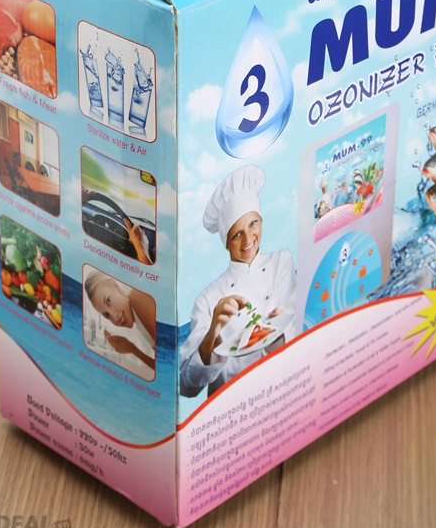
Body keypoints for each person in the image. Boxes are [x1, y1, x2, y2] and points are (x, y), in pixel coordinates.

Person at [180, 165, 296, 398]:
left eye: (253, 223)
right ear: (225, 242)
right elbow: (186, 387)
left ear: (261, 220)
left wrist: (280, 330)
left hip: (280, 394)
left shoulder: (281, 262)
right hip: (231, 407)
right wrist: (211, 335)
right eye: (236, 234)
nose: (248, 239)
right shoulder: (208, 299)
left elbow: (299, 333)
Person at [84, 269, 156, 371]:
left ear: (116, 287)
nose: (114, 316)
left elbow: (165, 369)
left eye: (108, 301)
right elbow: (162, 365)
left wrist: (132, 349)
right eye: (107, 315)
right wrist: (131, 349)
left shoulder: (137, 298)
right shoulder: (138, 317)